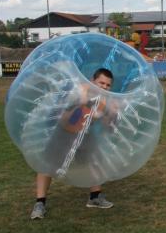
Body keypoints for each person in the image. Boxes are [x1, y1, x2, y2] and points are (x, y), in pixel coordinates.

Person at [30, 68, 119, 219]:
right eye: (101, 83)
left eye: (107, 85)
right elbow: (66, 116)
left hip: (84, 134)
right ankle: (40, 203)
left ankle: (95, 197)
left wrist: (112, 114)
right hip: (63, 133)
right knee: (47, 166)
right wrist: (82, 102)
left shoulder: (105, 100)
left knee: (95, 162)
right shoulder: (80, 90)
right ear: (93, 81)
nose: (104, 87)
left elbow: (106, 126)